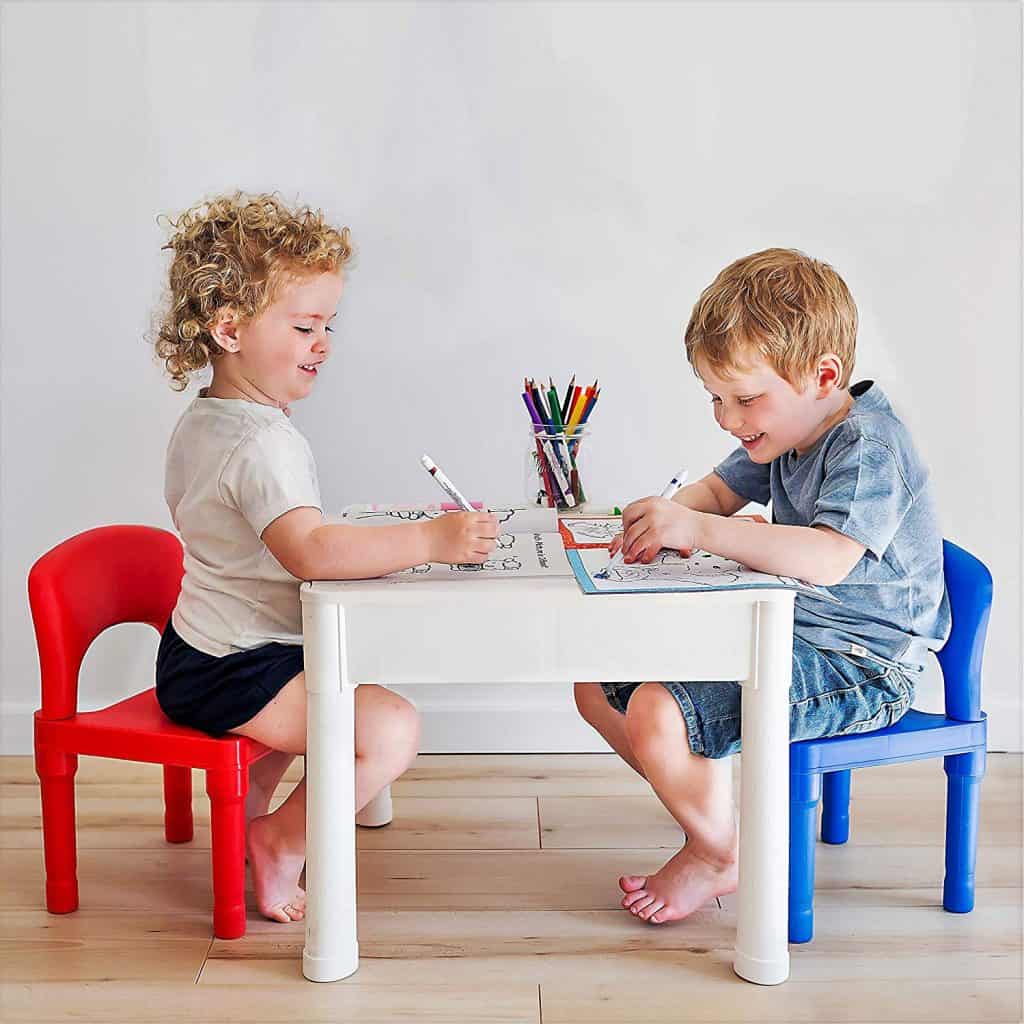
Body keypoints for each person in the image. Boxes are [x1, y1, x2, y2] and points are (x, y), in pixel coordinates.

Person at [574, 248, 950, 925]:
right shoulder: (786, 434)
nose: (726, 417)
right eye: (715, 398)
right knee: (599, 684)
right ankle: (714, 827)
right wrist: (663, 518)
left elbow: (830, 558)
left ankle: (720, 852)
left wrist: (701, 530)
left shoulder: (869, 447)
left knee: (660, 711)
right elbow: (717, 492)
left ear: (822, 375)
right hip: (786, 633)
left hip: (862, 665)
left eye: (744, 399)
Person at [152, 192, 498, 923]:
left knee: (345, 674)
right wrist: (431, 541)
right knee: (390, 728)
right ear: (230, 328)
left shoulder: (205, 421)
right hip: (234, 667)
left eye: (328, 325)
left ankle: (250, 834)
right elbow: (308, 551)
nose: (324, 343)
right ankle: (278, 840)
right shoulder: (262, 443)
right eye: (305, 326)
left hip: (204, 649)